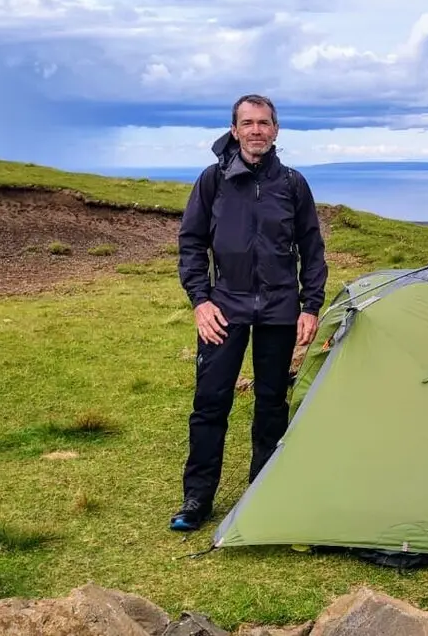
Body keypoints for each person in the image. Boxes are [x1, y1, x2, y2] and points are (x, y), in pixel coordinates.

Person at [170, 94, 328, 532]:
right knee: (210, 403)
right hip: (225, 308)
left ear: (276, 130)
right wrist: (201, 301)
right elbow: (191, 244)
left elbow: (313, 251)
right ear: (235, 130)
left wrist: (310, 306)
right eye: (248, 123)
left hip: (280, 309)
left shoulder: (293, 184)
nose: (256, 130)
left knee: (272, 404)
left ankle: (263, 494)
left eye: (264, 122)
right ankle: (197, 498)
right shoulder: (213, 181)